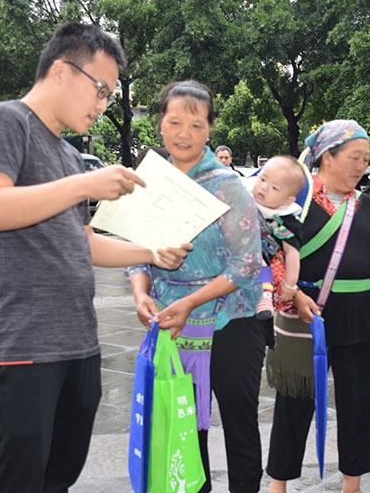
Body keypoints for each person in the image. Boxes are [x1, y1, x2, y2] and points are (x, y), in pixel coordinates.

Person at [0, 22, 190, 493]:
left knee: (57, 479)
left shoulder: (68, 156)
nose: (104, 105)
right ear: (63, 71)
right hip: (21, 349)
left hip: (77, 347)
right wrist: (87, 184)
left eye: (109, 94)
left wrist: (151, 252)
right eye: (101, 89)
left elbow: (82, 242)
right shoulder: (5, 120)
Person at [128, 80, 267, 493]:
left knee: (240, 424)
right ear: (160, 124)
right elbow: (137, 251)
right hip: (172, 323)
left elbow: (247, 263)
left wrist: (190, 301)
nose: (183, 133)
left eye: (196, 124)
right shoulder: (149, 183)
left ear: (209, 130)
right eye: (174, 122)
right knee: (183, 427)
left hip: (231, 321)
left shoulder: (227, 185)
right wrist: (141, 294)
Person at [265, 119, 370, 493]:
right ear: (327, 157)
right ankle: (278, 483)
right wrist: (292, 293)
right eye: (354, 156)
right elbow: (276, 255)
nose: (362, 164)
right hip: (307, 317)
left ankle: (352, 483)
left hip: (361, 317)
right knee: (295, 401)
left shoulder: (367, 204)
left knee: (357, 402)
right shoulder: (296, 201)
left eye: (365, 158)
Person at [244, 154, 307, 320]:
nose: (264, 187)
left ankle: (265, 297)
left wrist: (290, 284)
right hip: (233, 258)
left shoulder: (286, 220)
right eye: (262, 179)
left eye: (275, 188)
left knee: (265, 258)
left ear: (288, 200)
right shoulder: (242, 198)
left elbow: (292, 253)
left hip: (263, 260)